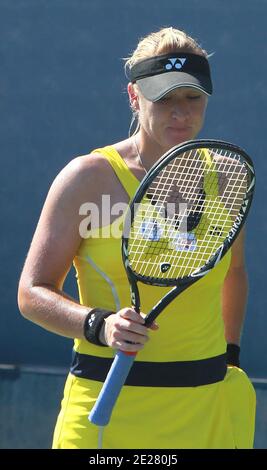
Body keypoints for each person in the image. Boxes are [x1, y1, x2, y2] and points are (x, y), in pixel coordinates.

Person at [18, 27, 256, 449]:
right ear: (133, 96)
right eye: (163, 99)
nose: (180, 113)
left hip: (208, 408)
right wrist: (100, 325)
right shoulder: (85, 179)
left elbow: (233, 272)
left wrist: (230, 355)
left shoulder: (230, 176)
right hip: (106, 413)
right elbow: (32, 293)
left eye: (192, 97)